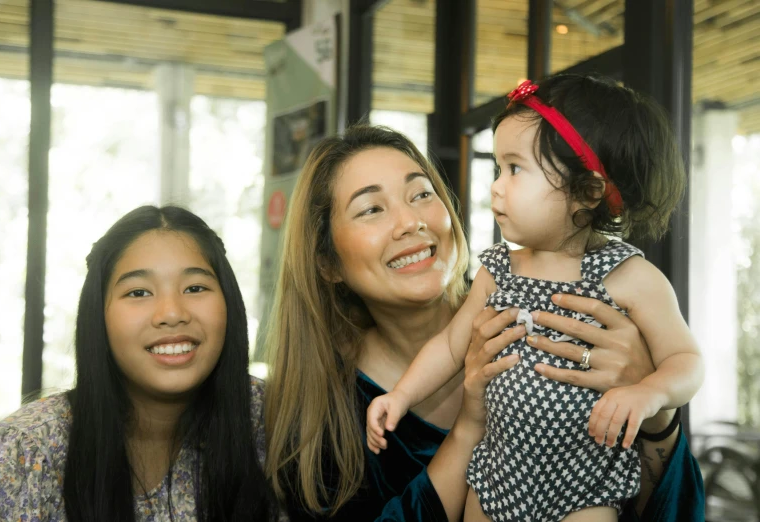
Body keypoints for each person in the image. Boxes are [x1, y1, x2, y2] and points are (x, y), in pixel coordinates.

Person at [263, 124, 704, 522]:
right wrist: (470, 427)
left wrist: (656, 412)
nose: (411, 222)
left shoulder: (559, 301)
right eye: (371, 210)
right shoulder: (322, 412)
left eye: (421, 194)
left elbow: (672, 509)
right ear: (327, 263)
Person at [366, 75, 705, 522]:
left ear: (586, 192)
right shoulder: (499, 269)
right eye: (497, 169)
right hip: (498, 469)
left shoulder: (630, 277)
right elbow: (451, 344)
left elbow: (686, 361)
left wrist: (649, 392)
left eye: (515, 169)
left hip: (585, 481)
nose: (496, 187)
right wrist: (402, 396)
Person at [0, 206, 278, 521]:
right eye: (138, 292)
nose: (172, 313)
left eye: (195, 288)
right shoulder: (20, 454)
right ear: (98, 315)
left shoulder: (277, 424)